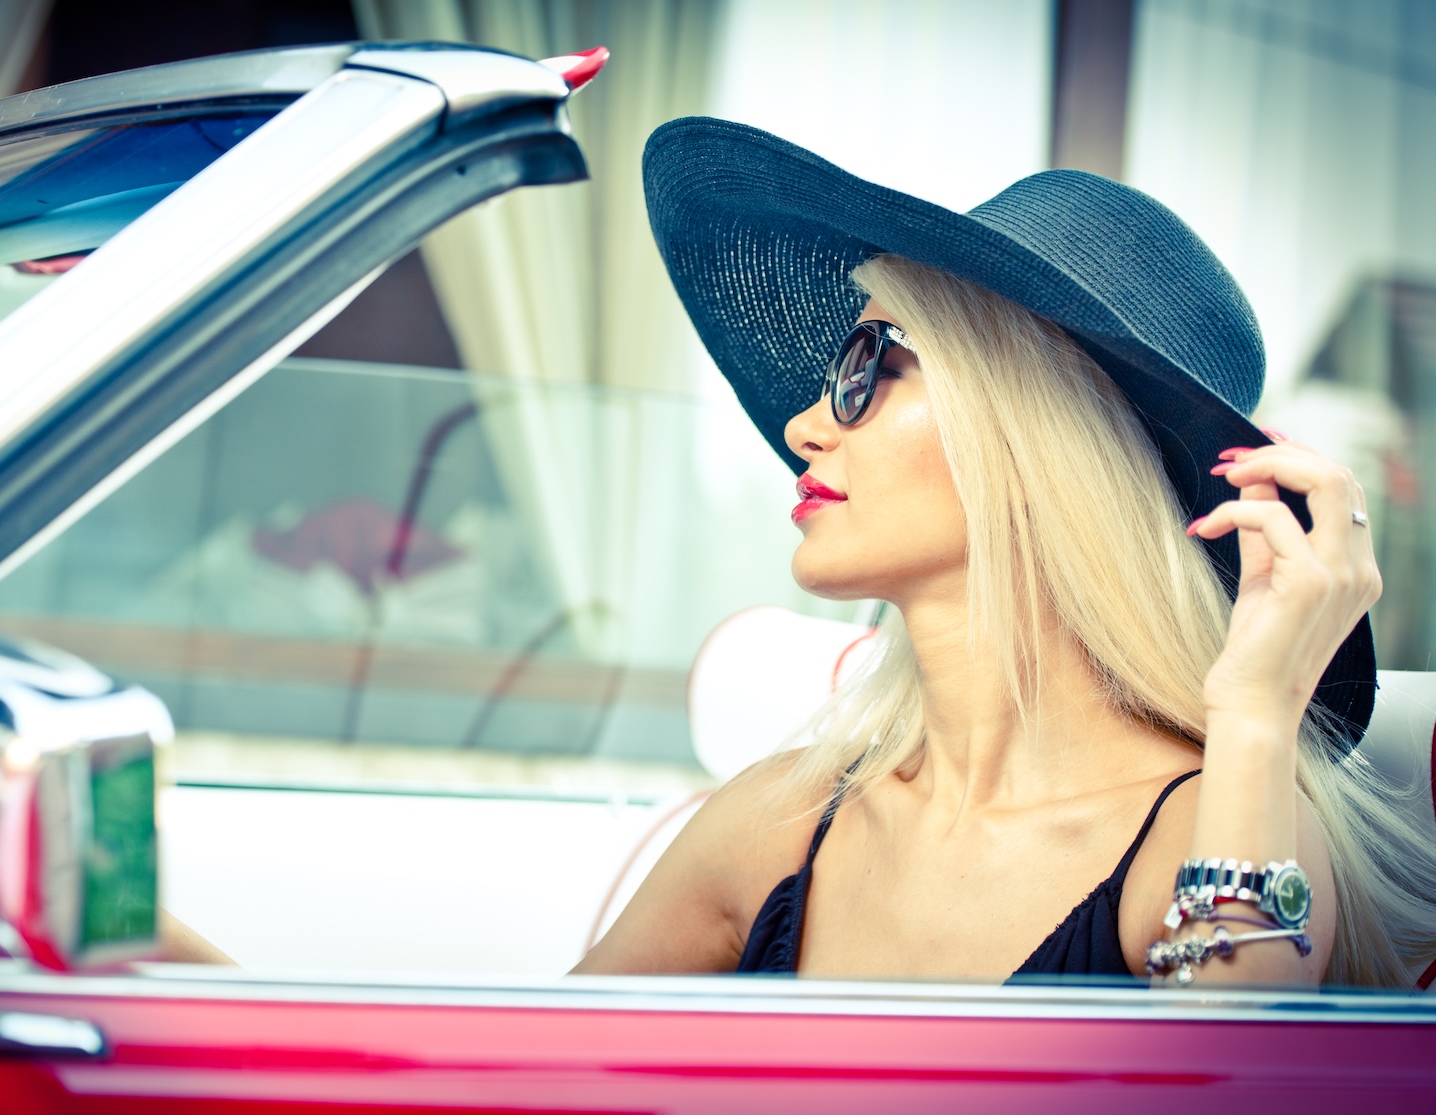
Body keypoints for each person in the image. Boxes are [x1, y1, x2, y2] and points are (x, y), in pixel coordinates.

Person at [574, 119, 1436, 987]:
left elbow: (1236, 1076)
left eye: (870, 363)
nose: (803, 426)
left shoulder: (1206, 833)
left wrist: (1256, 712)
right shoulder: (776, 821)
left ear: (1033, 434)